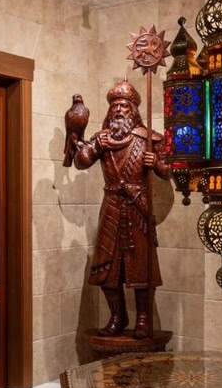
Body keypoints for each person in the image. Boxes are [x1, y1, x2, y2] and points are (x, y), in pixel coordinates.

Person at [72, 81, 171, 339]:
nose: (118, 110)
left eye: (124, 106)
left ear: (133, 110)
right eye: (114, 106)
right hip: (112, 205)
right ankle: (117, 316)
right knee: (106, 266)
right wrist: (84, 147)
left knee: (142, 266)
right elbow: (82, 162)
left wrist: (156, 163)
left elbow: (169, 171)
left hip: (138, 205)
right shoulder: (102, 139)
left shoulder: (150, 139)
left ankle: (143, 318)